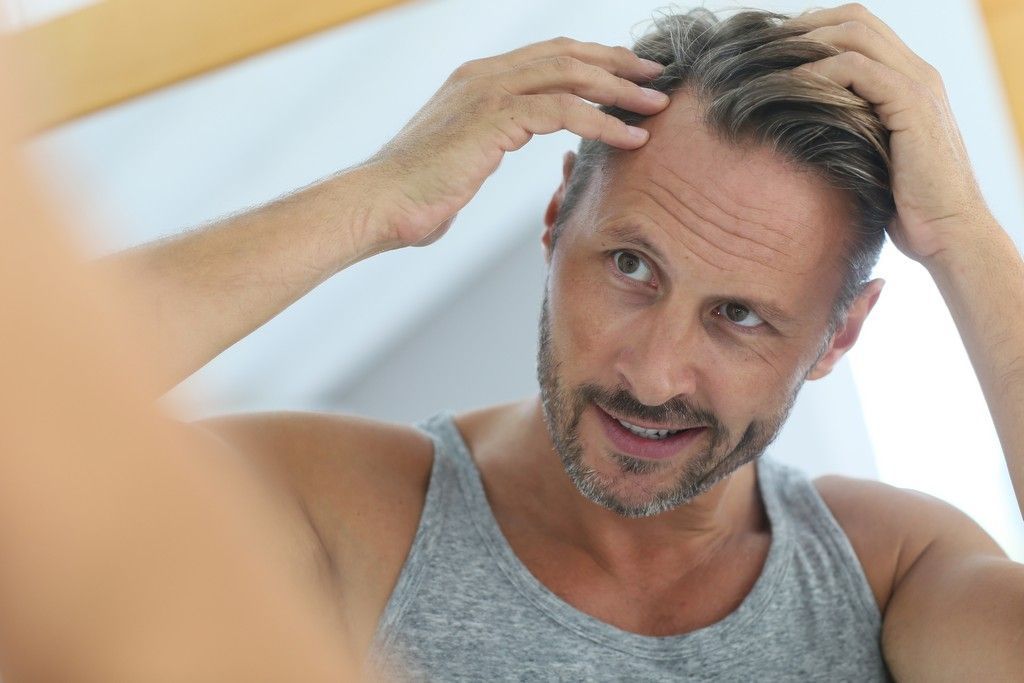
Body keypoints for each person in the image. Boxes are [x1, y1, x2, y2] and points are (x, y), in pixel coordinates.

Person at [98, 4, 1024, 680]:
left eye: (739, 316)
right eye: (629, 264)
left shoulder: (895, 572)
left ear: (838, 335)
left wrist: (971, 243)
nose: (652, 374)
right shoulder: (335, 510)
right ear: (554, 225)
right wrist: (378, 198)